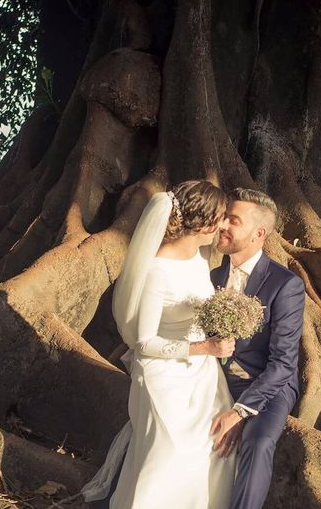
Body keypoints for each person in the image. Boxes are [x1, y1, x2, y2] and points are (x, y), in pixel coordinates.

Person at [81, 180, 238, 508]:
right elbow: (143, 342)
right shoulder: (157, 271)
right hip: (162, 376)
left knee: (211, 457)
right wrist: (204, 348)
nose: (224, 224)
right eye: (221, 218)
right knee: (168, 458)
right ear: (202, 224)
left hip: (204, 377)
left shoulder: (197, 258)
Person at [209, 188, 305, 509]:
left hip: (270, 386)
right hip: (215, 379)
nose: (222, 224)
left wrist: (239, 412)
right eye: (224, 217)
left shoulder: (285, 284)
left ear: (258, 234)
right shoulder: (211, 277)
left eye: (233, 220)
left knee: (259, 442)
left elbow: (283, 364)